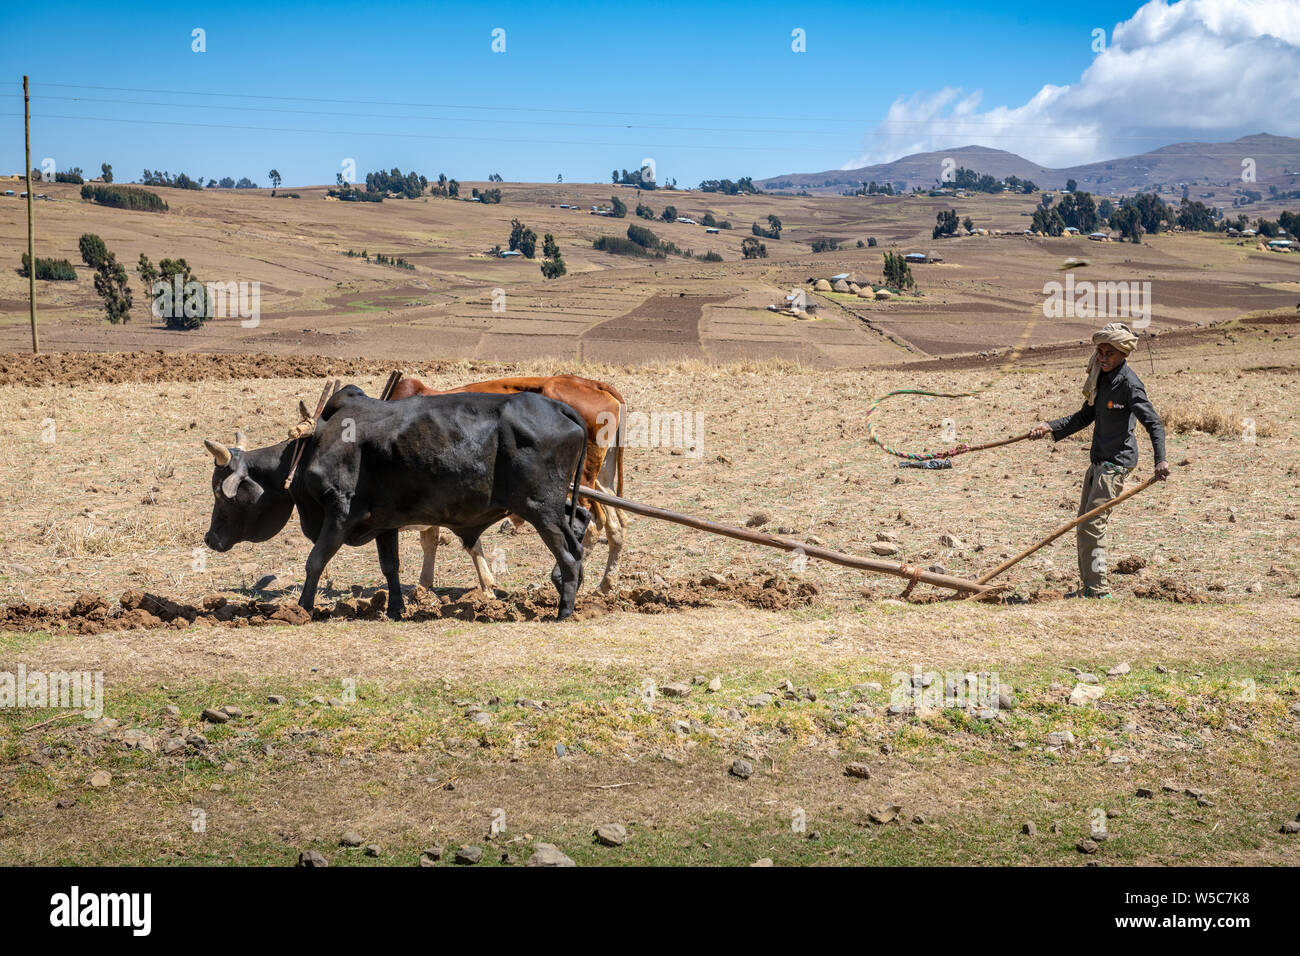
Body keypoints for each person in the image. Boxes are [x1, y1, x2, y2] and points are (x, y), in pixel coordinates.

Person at [1029, 322, 1169, 598]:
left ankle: (1098, 591)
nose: (1103, 358)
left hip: (1116, 464)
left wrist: (1160, 460)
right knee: (1083, 525)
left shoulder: (1130, 385)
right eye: (1100, 352)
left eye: (1109, 353)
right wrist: (1050, 426)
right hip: (1099, 462)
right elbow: (1085, 416)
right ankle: (1089, 587)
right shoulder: (1101, 378)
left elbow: (1154, 423)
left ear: (1122, 354)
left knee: (1092, 526)